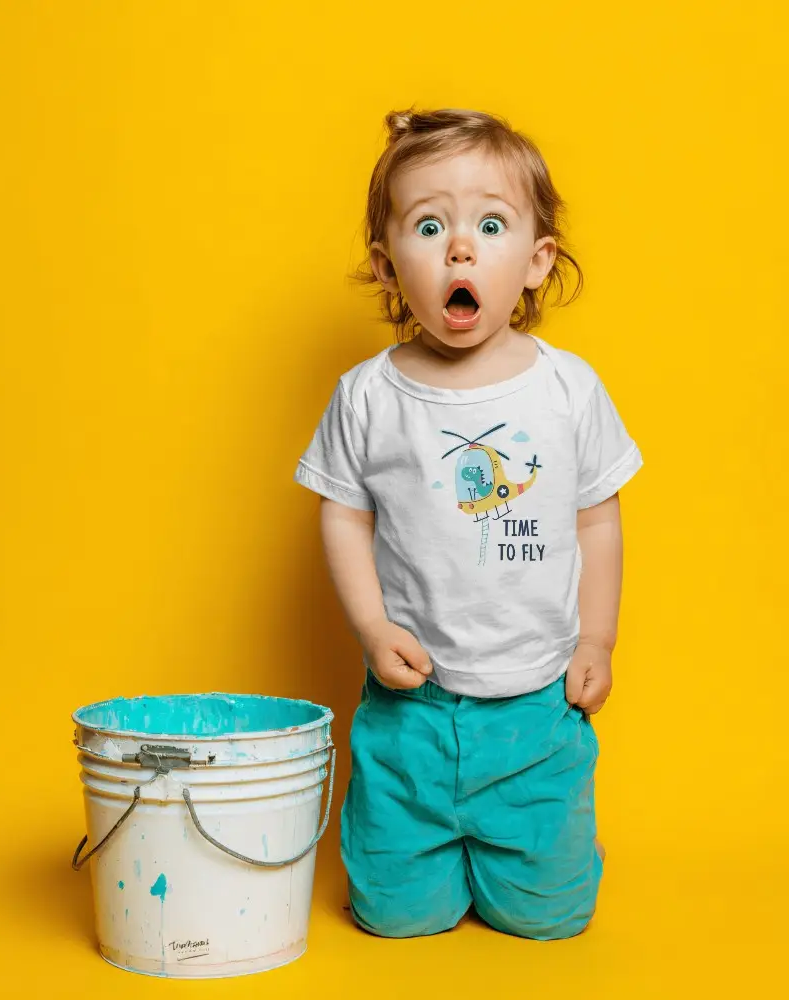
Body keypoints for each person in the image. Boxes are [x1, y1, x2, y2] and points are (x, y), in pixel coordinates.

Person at [294, 108, 643, 940]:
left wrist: (597, 640)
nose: (461, 248)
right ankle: (416, 855)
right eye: (429, 226)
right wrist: (373, 626)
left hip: (536, 709)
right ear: (387, 267)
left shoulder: (567, 389)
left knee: (550, 920)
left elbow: (598, 518)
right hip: (411, 708)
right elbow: (341, 515)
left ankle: (550, 851)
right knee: (393, 917)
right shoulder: (369, 396)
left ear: (535, 261)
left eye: (491, 225)